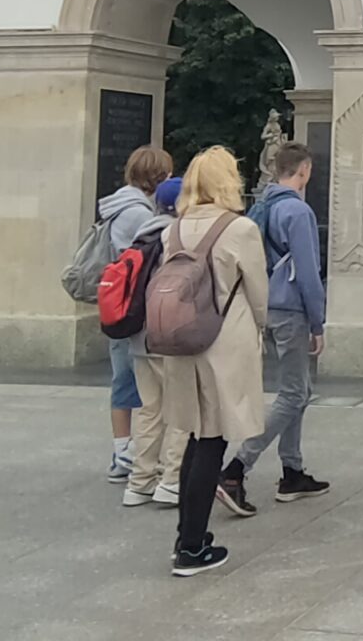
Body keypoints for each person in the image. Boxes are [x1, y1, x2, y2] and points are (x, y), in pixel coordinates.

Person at [142, 146, 267, 577]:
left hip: (182, 339)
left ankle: (186, 536)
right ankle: (192, 547)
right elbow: (258, 293)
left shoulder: (173, 230)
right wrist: (261, 329)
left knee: (196, 436)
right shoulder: (240, 228)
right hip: (223, 341)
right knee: (213, 440)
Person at [230, 142, 329, 505]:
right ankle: (236, 468)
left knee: (297, 388)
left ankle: (292, 470)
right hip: (291, 309)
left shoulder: (261, 206)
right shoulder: (298, 212)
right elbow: (308, 272)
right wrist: (318, 322)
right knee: (293, 394)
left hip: (265, 305)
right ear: (303, 170)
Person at [96, 145, 171, 484]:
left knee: (122, 379)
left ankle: (122, 451)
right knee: (140, 382)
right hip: (135, 306)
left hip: (118, 303)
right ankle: (133, 454)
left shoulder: (118, 204)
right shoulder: (140, 214)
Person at [121, 176, 187, 509]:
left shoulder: (142, 233)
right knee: (181, 409)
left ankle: (139, 482)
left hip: (139, 336)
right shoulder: (176, 237)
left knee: (149, 410)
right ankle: (171, 480)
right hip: (168, 335)